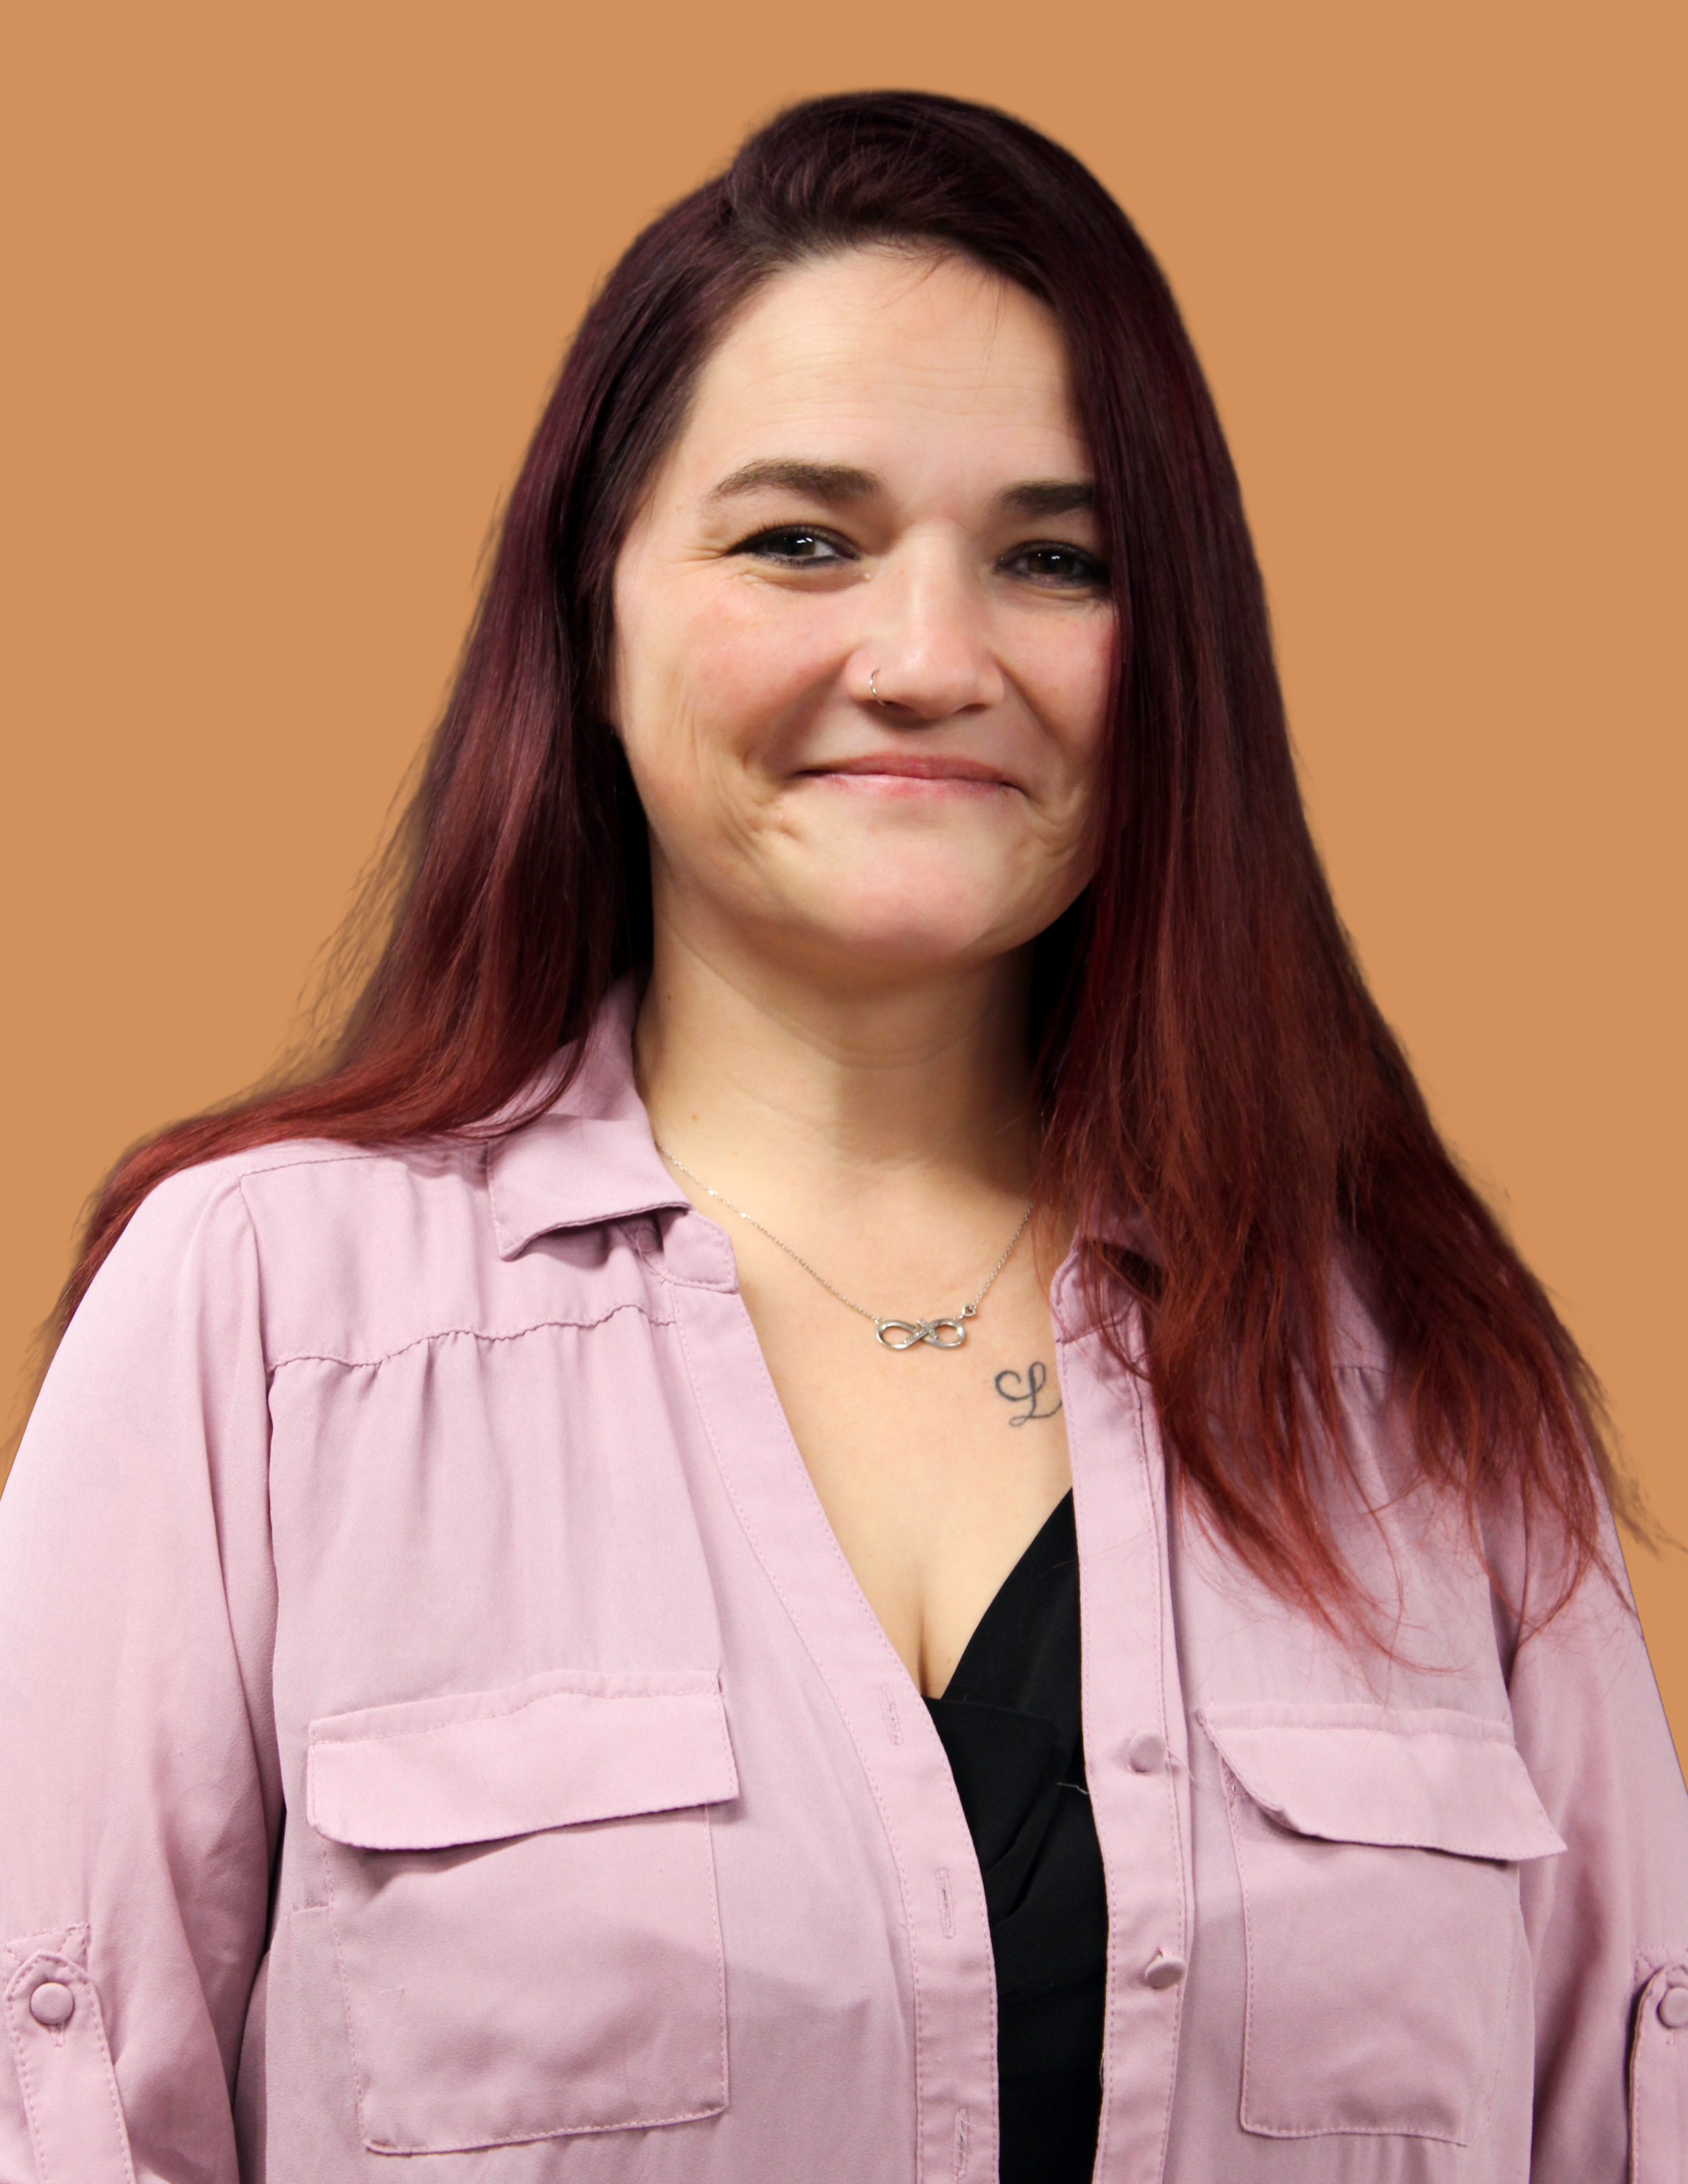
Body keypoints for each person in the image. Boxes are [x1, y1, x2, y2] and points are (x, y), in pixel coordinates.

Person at [0, 89, 1682, 2184]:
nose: (926, 658)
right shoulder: (250, 1327)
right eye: (801, 538)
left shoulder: (1423, 1375)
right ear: (586, 615)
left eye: (1054, 559)